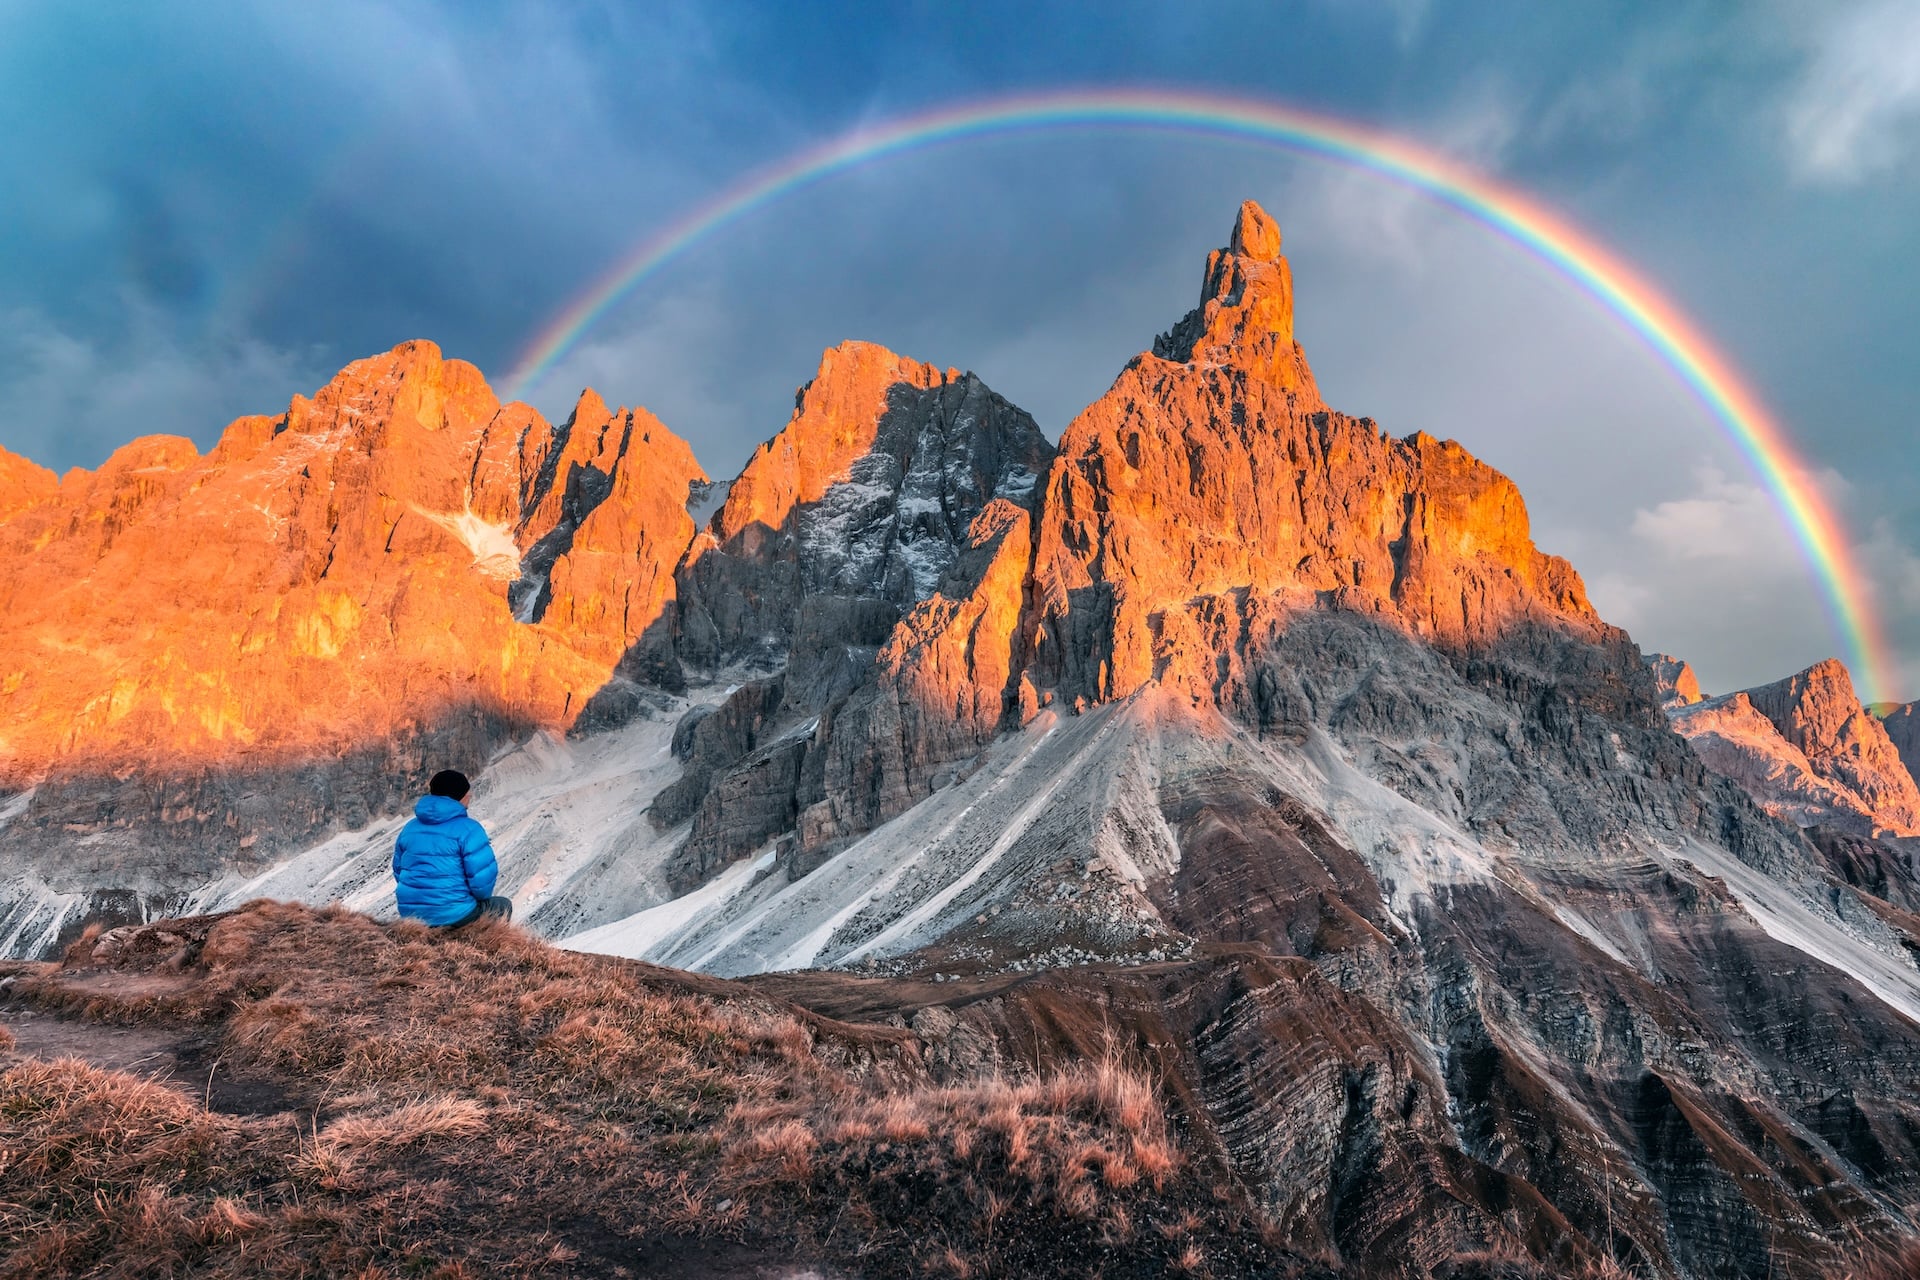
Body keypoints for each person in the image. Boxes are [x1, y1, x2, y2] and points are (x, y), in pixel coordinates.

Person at [392, 770, 512, 927]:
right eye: (467, 791)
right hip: (453, 915)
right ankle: (482, 946)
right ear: (458, 796)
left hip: (411, 915)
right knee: (503, 905)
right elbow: (482, 883)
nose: (470, 795)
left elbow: (398, 870)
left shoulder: (409, 828)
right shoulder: (469, 829)